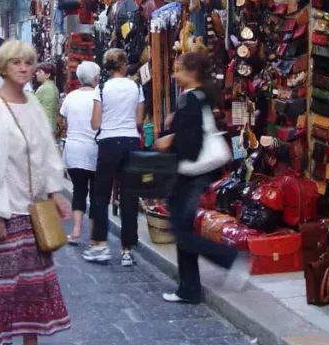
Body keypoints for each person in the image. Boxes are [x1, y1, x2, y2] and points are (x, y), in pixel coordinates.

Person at [0, 40, 71, 345]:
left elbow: (46, 151)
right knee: (1, 286)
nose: (24, 69)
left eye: (29, 63)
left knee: (33, 285)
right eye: (17, 64)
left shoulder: (30, 102)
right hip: (7, 209)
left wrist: (56, 191)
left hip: (34, 211)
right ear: (3, 67)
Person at [154, 51, 246, 303]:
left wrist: (169, 141)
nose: (174, 74)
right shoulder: (197, 97)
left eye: (178, 69)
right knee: (181, 229)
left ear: (190, 72)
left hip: (190, 171)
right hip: (193, 171)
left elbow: (190, 140)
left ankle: (228, 258)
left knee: (182, 231)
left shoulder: (191, 100)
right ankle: (189, 288)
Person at [83, 48, 144, 267]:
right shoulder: (136, 87)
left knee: (100, 195)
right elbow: (139, 118)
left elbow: (95, 123)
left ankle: (100, 245)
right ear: (124, 65)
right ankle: (127, 250)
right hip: (130, 141)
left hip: (108, 143)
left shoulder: (101, 88)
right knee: (129, 196)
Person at [59, 61, 101, 245]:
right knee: (96, 194)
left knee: (79, 191)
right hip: (94, 149)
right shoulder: (99, 96)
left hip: (73, 149)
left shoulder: (70, 97)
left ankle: (76, 231)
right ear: (95, 78)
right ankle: (93, 236)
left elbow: (64, 119)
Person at [34, 63, 59, 138]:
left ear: (48, 75)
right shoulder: (54, 88)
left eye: (40, 72)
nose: (36, 74)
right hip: (51, 125)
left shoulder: (43, 88)